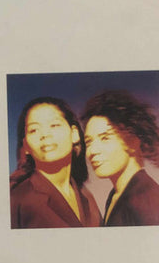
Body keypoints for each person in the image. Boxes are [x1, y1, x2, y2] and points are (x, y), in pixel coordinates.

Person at [10, 97, 102, 228]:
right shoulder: (17, 199)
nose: (45, 134)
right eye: (34, 130)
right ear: (25, 146)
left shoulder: (86, 197)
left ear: (74, 134)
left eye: (54, 125)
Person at [82, 90, 159, 226]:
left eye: (105, 138)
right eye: (89, 142)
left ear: (133, 142)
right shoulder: (117, 194)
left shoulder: (144, 201)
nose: (92, 151)